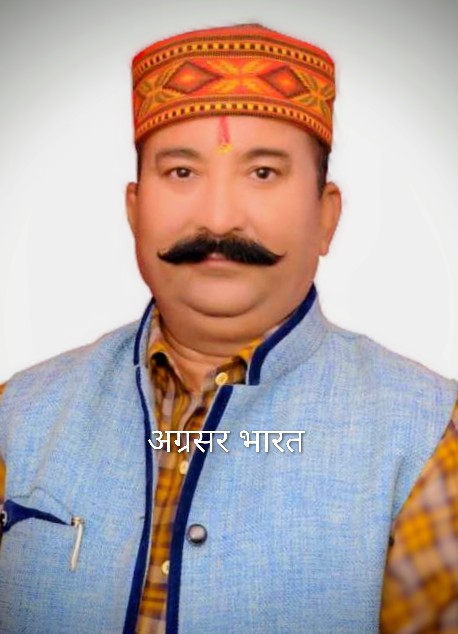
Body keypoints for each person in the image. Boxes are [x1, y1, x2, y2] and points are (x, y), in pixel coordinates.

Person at [0, 22, 457, 634]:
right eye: (181, 173)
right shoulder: (19, 414)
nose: (217, 219)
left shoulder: (430, 435)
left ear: (326, 217)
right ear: (134, 211)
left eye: (263, 173)